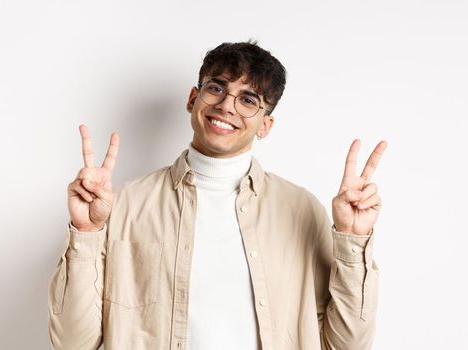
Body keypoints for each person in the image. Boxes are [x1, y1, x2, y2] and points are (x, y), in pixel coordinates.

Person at [48, 41, 385, 349]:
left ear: (265, 125)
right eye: (216, 88)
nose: (226, 106)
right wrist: (87, 232)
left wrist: (352, 239)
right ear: (193, 99)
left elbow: (347, 345)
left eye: (248, 100)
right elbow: (73, 344)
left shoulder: (301, 210)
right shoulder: (125, 205)